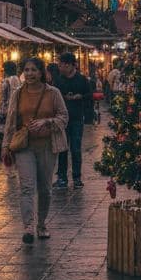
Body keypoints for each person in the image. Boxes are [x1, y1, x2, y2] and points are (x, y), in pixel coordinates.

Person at [0, 57, 69, 244]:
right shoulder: (18, 93)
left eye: (33, 70)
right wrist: (6, 145)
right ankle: (28, 227)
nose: (29, 74)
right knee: (27, 187)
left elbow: (64, 117)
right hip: (25, 146)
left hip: (47, 146)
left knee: (45, 189)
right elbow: (11, 121)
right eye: (27, 70)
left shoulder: (53, 93)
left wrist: (47, 122)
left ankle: (42, 224)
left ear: (41, 73)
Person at [53, 52, 92, 189]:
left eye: (61, 65)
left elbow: (89, 95)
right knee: (62, 149)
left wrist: (79, 96)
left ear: (69, 65)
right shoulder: (58, 80)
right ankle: (62, 178)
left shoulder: (81, 80)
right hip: (62, 120)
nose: (60, 68)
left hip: (76, 118)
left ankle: (77, 177)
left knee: (75, 148)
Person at [0, 60, 21, 141]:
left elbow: (3, 97)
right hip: (15, 110)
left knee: (3, 135)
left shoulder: (6, 81)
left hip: (5, 111)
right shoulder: (17, 79)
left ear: (6, 70)